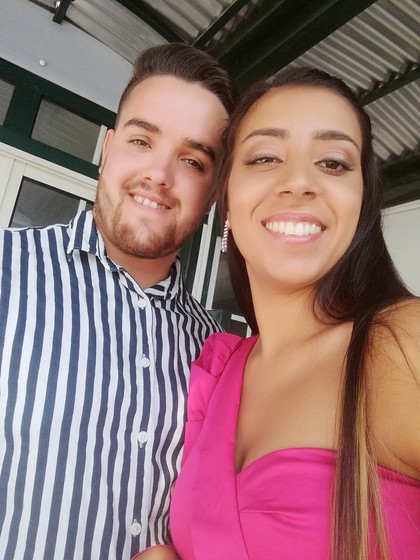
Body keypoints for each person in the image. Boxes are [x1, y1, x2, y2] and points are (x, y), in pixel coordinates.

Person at [142, 67, 420, 559]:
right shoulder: (220, 369)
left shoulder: (400, 344)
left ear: (362, 202)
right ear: (226, 202)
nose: (298, 183)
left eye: (333, 162)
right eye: (265, 157)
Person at [0, 43, 237, 560]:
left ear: (214, 192)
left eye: (192, 160)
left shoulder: (216, 354)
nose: (160, 174)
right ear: (107, 148)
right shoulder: (6, 269)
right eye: (141, 140)